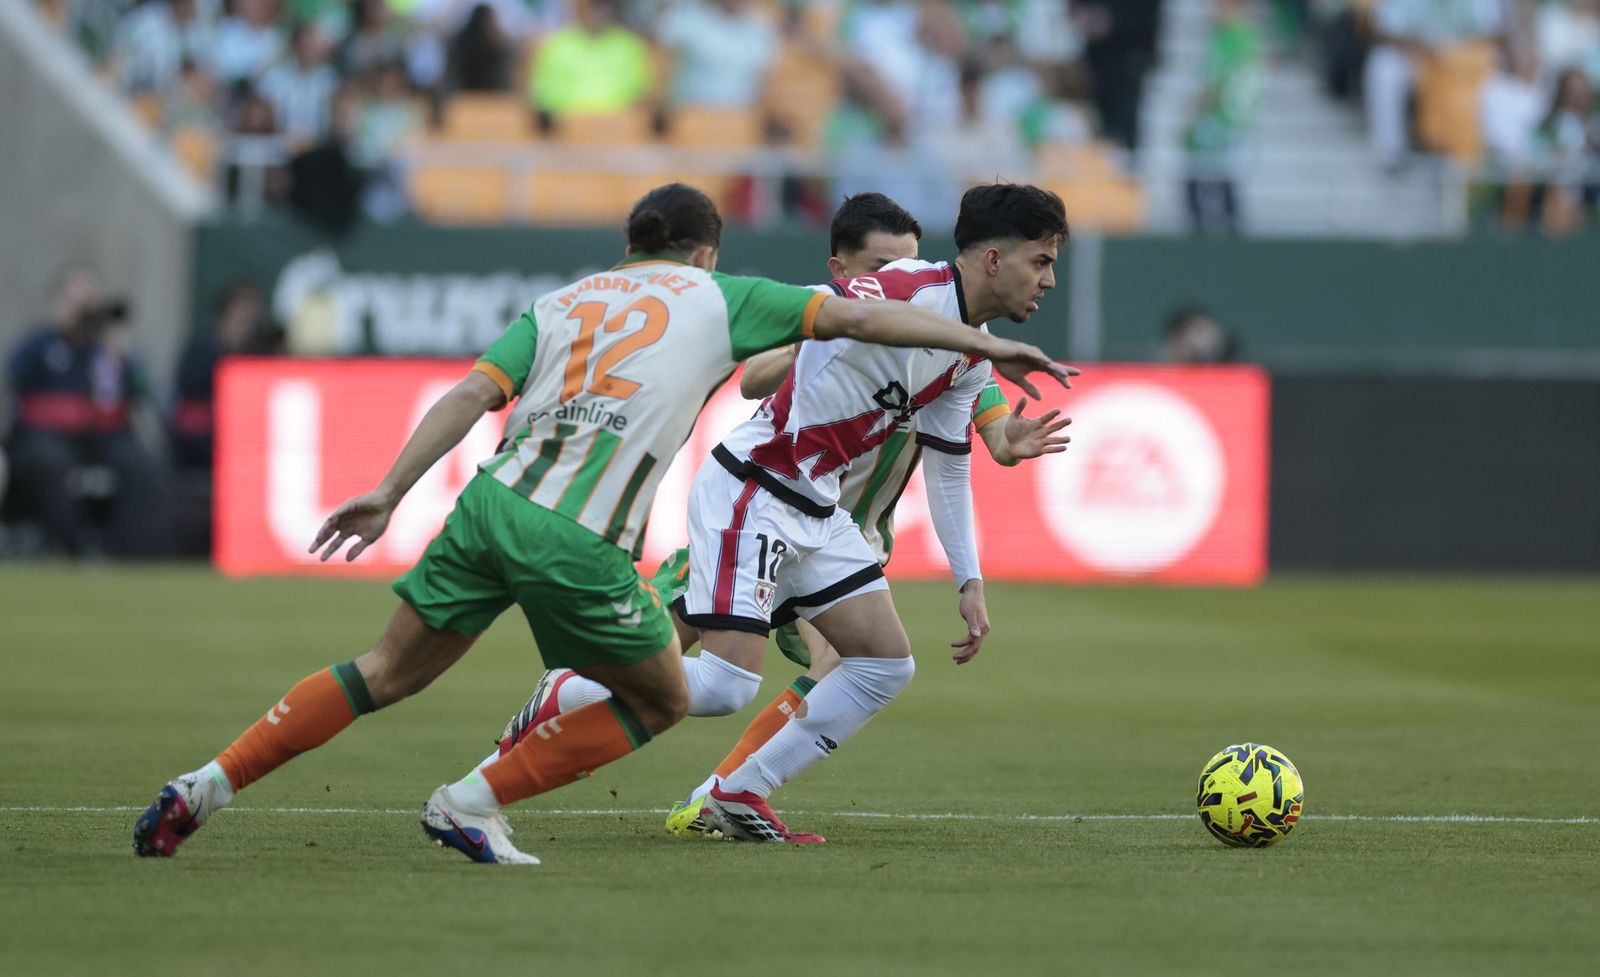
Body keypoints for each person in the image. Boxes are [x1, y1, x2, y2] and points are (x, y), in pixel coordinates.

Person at [131, 182, 1073, 864]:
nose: (1047, 278)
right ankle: (483, 786)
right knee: (680, 695)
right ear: (705, 254)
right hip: (615, 525)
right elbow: (846, 325)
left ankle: (205, 783)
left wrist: (388, 490)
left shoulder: (562, 301)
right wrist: (984, 344)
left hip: (494, 502)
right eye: (1041, 262)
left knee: (383, 670)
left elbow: (470, 394)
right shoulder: (718, 295)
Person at [473, 191, 1072, 838]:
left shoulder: (971, 354)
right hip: (755, 488)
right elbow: (815, 309)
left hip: (816, 505)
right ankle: (573, 686)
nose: (1049, 280)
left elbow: (948, 462)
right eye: (1040, 262)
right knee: (725, 686)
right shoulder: (906, 286)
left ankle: (736, 792)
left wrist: (968, 580)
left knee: (884, 664)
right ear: (993, 260)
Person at [5, 265, 167, 557]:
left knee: (144, 467)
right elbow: (14, 375)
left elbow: (141, 389)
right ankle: (72, 548)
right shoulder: (42, 342)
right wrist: (62, 328)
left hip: (102, 433)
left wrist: (120, 354)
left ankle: (122, 552)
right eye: (74, 300)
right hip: (46, 434)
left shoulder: (107, 349)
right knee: (48, 463)